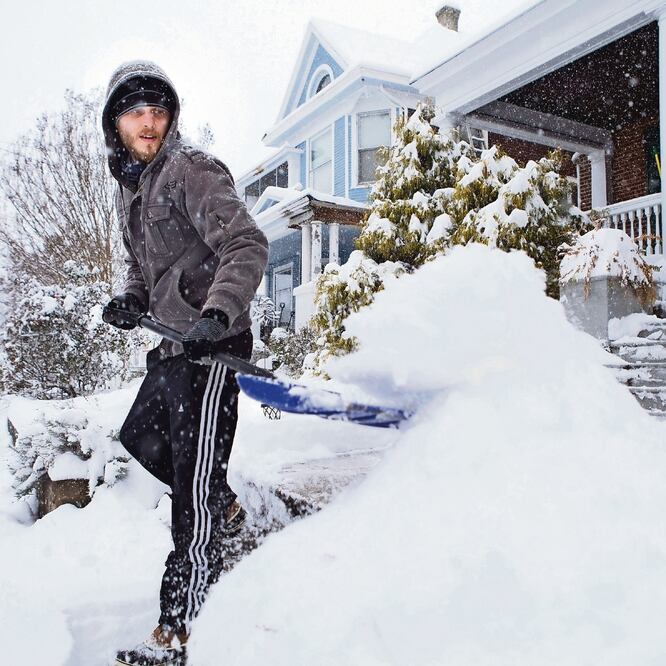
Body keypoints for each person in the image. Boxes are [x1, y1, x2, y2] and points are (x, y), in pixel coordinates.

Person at [101, 60, 268, 666]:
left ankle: (179, 628)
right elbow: (143, 270)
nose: (148, 122)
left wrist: (218, 316)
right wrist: (130, 298)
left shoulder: (190, 171)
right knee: (141, 437)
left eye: (157, 110)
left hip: (213, 347)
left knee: (190, 492)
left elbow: (246, 243)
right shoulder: (136, 189)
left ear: (170, 118)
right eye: (134, 112)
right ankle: (221, 506)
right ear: (115, 124)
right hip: (174, 343)